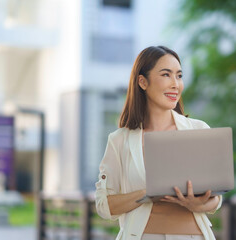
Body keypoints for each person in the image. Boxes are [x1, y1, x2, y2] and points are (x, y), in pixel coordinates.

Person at [95, 46, 223, 240]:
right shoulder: (119, 140)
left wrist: (197, 204)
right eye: (166, 75)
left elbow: (216, 199)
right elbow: (104, 206)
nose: (175, 84)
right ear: (143, 81)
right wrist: (148, 194)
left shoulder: (199, 130)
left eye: (179, 76)